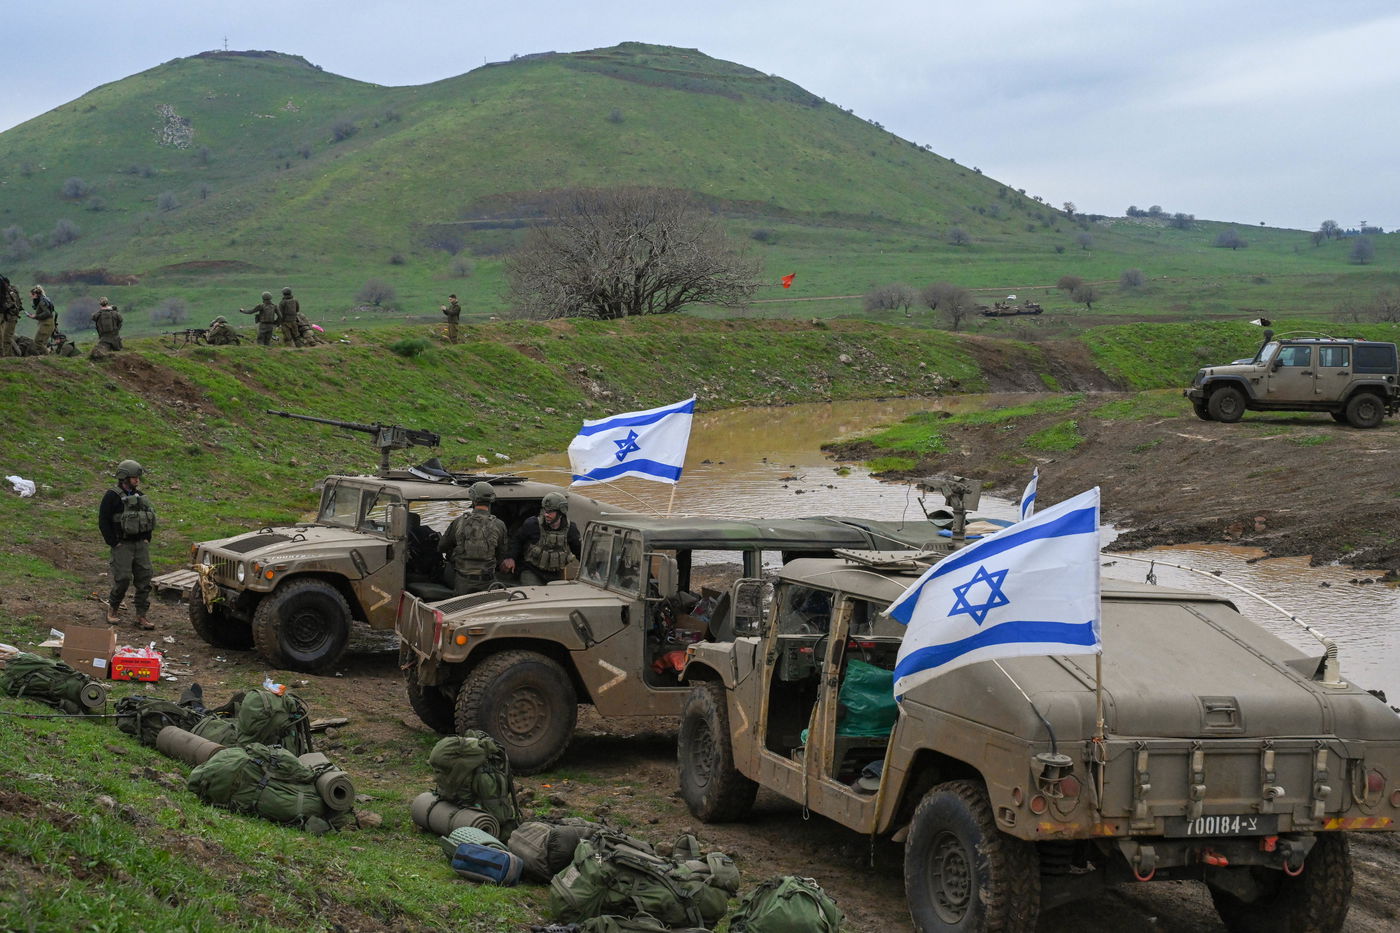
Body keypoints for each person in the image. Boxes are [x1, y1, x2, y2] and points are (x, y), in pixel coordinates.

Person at [98, 459, 157, 630]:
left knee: (144, 579)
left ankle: (141, 615)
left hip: (140, 544)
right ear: (124, 477)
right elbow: (103, 521)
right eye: (134, 477)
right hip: (122, 545)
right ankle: (113, 608)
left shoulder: (140, 496)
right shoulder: (111, 497)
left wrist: (146, 538)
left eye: (137, 477)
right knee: (123, 579)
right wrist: (114, 542)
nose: (137, 480)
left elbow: (148, 518)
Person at [440, 482, 508, 595]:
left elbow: (442, 546)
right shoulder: (499, 525)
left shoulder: (458, 522)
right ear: (491, 500)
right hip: (488, 582)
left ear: (473, 500)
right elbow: (502, 554)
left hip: (463, 581)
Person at [504, 491, 581, 585]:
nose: (546, 514)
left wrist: (591, 569)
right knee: (533, 590)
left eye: (550, 512)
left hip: (555, 573)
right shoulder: (532, 524)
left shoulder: (570, 529)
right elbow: (517, 540)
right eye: (545, 510)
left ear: (561, 512)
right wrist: (510, 557)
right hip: (532, 571)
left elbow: (579, 550)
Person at [27, 285, 56, 352]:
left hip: (46, 324)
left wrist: (36, 316)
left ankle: (47, 355)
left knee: (38, 342)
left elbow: (47, 313)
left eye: (31, 296)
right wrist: (35, 316)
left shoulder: (42, 302)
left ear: (35, 295)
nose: (31, 297)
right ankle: (46, 354)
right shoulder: (42, 300)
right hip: (46, 323)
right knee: (41, 342)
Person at [0, 274, 20, 357]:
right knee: (6, 337)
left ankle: (7, 356)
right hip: (8, 316)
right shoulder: (9, 292)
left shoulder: (10, 293)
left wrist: (4, 307)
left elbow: (12, 305)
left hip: (11, 317)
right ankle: (8, 355)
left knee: (6, 338)